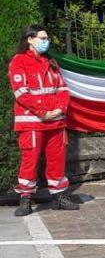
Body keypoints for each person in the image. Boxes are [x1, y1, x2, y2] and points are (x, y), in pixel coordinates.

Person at [9, 25, 75, 216]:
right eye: (42, 38)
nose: (47, 42)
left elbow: (63, 89)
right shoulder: (19, 61)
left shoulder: (51, 62)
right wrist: (42, 111)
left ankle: (59, 196)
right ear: (29, 40)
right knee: (30, 161)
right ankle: (26, 199)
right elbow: (21, 92)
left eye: (47, 38)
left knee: (57, 160)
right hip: (32, 121)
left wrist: (60, 109)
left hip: (56, 120)